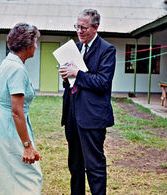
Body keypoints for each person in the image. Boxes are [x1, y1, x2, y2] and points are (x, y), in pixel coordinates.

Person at [0, 23, 43, 195]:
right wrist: (27, 145)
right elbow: (16, 111)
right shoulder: (17, 69)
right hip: (9, 123)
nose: (36, 47)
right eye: (35, 42)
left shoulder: (7, 62)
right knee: (30, 176)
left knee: (4, 169)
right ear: (28, 45)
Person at [59, 9, 116, 195]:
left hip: (93, 117)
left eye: (84, 27)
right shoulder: (74, 48)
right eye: (77, 27)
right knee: (75, 165)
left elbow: (102, 82)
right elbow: (72, 81)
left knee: (94, 166)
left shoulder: (107, 50)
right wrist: (66, 77)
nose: (80, 31)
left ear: (95, 27)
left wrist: (78, 74)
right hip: (72, 115)